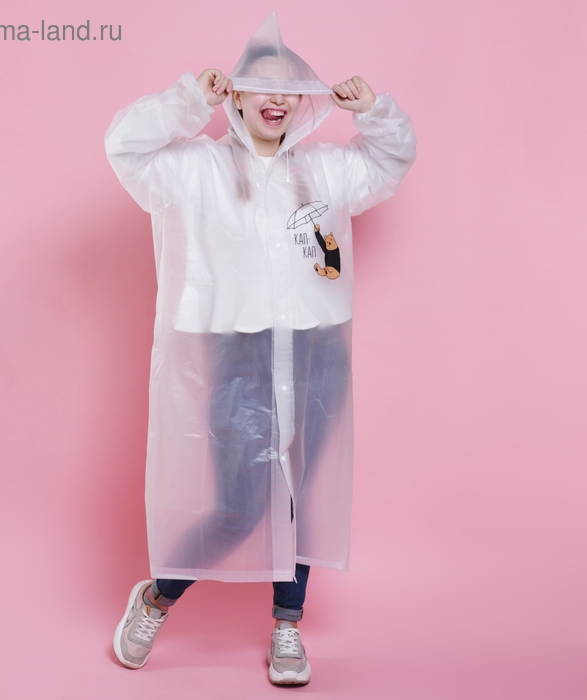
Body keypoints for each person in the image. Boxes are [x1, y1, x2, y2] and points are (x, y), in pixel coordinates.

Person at [104, 12, 416, 686]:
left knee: (300, 494)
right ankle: (156, 598)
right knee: (240, 504)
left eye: (288, 89)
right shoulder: (196, 169)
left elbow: (390, 161)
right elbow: (125, 147)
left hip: (317, 352)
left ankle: (286, 625)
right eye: (260, 86)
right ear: (237, 96)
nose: (275, 99)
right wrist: (188, 99)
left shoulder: (325, 171)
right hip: (236, 355)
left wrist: (375, 112)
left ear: (301, 101)